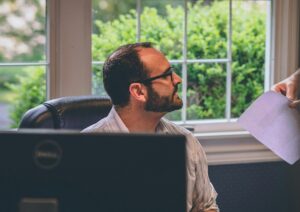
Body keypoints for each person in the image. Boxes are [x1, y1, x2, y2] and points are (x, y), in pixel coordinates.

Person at [82, 42, 219, 212]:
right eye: (167, 75)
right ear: (138, 92)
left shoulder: (187, 142)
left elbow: (206, 207)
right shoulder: (86, 152)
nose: (177, 79)